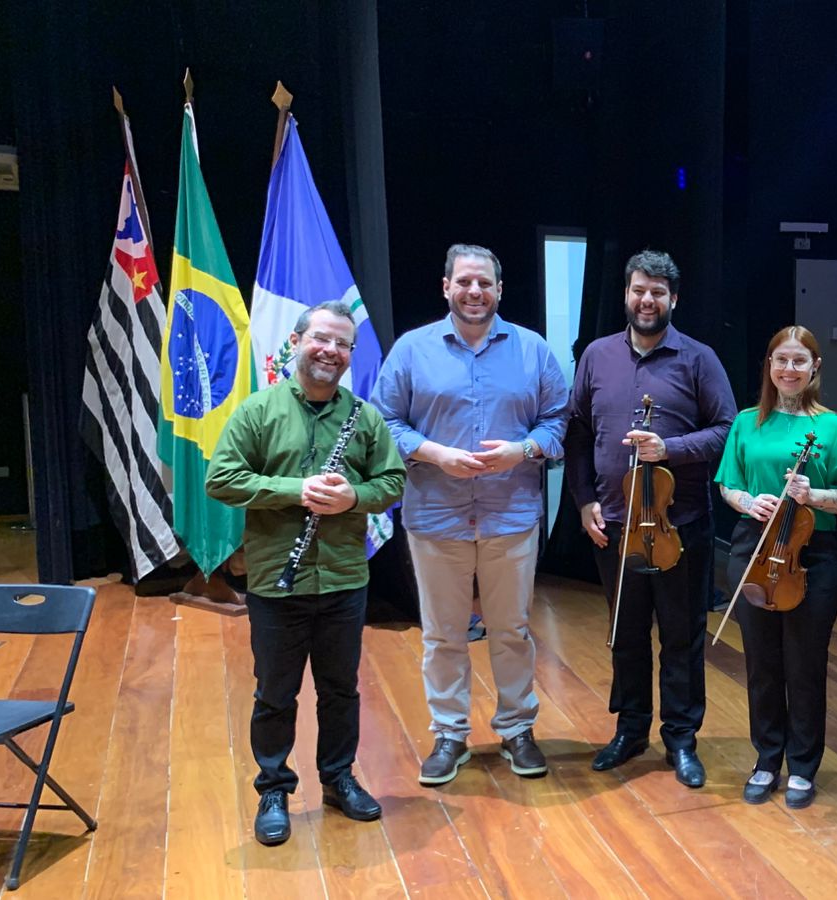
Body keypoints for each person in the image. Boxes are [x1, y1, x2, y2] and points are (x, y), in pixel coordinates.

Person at [206, 300, 406, 847]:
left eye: (343, 344)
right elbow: (221, 479)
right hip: (277, 578)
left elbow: (392, 482)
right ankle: (274, 789)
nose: (331, 351)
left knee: (341, 689)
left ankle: (339, 779)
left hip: (344, 579)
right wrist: (296, 490)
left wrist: (352, 497)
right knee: (276, 692)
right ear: (295, 342)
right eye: (321, 338)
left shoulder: (364, 417)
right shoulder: (258, 411)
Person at [372, 243, 569, 786]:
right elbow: (383, 421)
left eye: (484, 282)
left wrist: (522, 451)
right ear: (446, 287)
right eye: (464, 282)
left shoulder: (533, 350)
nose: (474, 291)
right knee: (442, 635)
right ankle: (449, 734)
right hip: (436, 515)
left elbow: (558, 421)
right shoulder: (412, 350)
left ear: (499, 289)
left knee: (512, 630)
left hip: (511, 516)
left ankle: (517, 729)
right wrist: (436, 453)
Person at [562, 249, 737, 788]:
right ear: (626, 293)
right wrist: (584, 500)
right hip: (614, 524)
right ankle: (631, 728)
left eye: (658, 292)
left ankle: (681, 738)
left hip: (681, 525)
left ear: (673, 299)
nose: (647, 300)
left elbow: (727, 429)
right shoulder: (596, 355)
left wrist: (670, 449)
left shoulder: (699, 358)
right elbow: (577, 432)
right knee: (626, 633)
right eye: (639, 290)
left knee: (682, 636)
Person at [715, 326, 837, 809]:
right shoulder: (746, 422)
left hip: (813, 554)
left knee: (804, 664)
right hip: (754, 546)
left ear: (814, 367)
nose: (789, 369)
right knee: (761, 662)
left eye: (800, 361)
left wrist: (812, 494)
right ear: (770, 365)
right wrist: (748, 502)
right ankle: (766, 759)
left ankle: (802, 766)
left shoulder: (834, 427)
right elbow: (728, 484)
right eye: (781, 360)